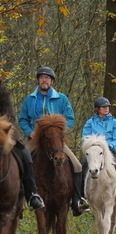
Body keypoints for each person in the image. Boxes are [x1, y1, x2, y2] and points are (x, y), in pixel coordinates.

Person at [18, 67, 89, 215]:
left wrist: (59, 131)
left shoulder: (61, 98)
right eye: (42, 77)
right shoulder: (30, 99)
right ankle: (20, 202)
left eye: (47, 77)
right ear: (38, 80)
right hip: (36, 139)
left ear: (52, 81)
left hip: (55, 140)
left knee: (77, 166)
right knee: (19, 163)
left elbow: (70, 118)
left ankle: (76, 200)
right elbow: (23, 119)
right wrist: (29, 132)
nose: (44, 80)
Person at [82, 97, 116, 210]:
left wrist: (107, 146)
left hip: (111, 151)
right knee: (80, 168)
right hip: (94, 152)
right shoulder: (90, 122)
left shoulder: (114, 122)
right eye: (104, 107)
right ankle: (80, 198)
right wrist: (94, 146)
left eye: (107, 107)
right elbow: (85, 138)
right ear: (97, 109)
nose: (106, 108)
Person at [0, 79, 44, 210]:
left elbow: (11, 117)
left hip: (4, 133)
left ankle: (31, 194)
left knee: (24, 154)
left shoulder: (3, 93)